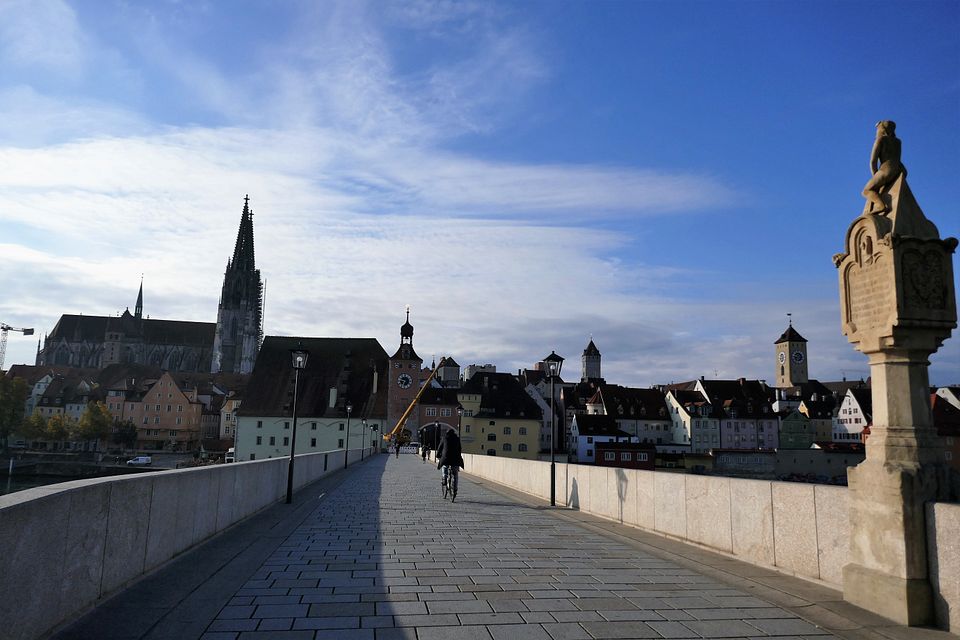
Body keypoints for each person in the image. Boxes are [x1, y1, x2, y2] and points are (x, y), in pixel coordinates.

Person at [862, 120, 905, 213]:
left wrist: (876, 176)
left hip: (886, 169)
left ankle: (881, 205)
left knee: (866, 190)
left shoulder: (880, 139)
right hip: (900, 169)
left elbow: (873, 161)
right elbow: (897, 158)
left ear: (882, 129)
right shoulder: (898, 142)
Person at [435, 428, 465, 501]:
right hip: (455, 459)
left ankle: (444, 479)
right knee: (455, 474)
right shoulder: (457, 439)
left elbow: (439, 448)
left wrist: (438, 456)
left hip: (446, 459)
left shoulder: (444, 438)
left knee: (445, 468)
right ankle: (455, 489)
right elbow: (459, 449)